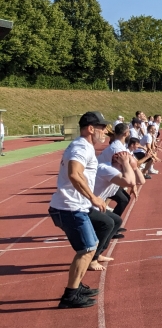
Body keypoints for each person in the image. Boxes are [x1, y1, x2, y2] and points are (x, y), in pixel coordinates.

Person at [48, 112, 110, 308]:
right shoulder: (81, 147)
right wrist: (93, 197)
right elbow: (74, 174)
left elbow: (79, 174)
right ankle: (70, 296)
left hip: (75, 206)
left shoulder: (84, 146)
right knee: (87, 249)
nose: (105, 132)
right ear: (91, 129)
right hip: (70, 208)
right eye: (102, 128)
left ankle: (76, 286)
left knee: (94, 242)